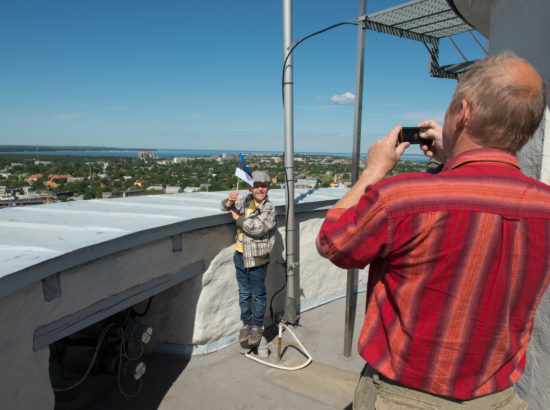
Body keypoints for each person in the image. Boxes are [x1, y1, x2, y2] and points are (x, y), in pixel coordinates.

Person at [316, 51, 549, 409]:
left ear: (464, 113)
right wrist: (451, 157)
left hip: (403, 396)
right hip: (497, 398)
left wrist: (373, 171)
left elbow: (333, 242)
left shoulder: (404, 197)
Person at [221, 170, 276, 347]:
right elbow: (224, 206)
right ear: (250, 187)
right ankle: (246, 324)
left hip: (257, 257)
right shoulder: (245, 200)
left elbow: (256, 227)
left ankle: (258, 326)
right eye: (256, 186)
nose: (259, 189)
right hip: (240, 254)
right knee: (244, 293)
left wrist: (236, 216)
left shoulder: (269, 207)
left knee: (258, 294)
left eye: (263, 186)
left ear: (268, 187)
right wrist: (229, 201)